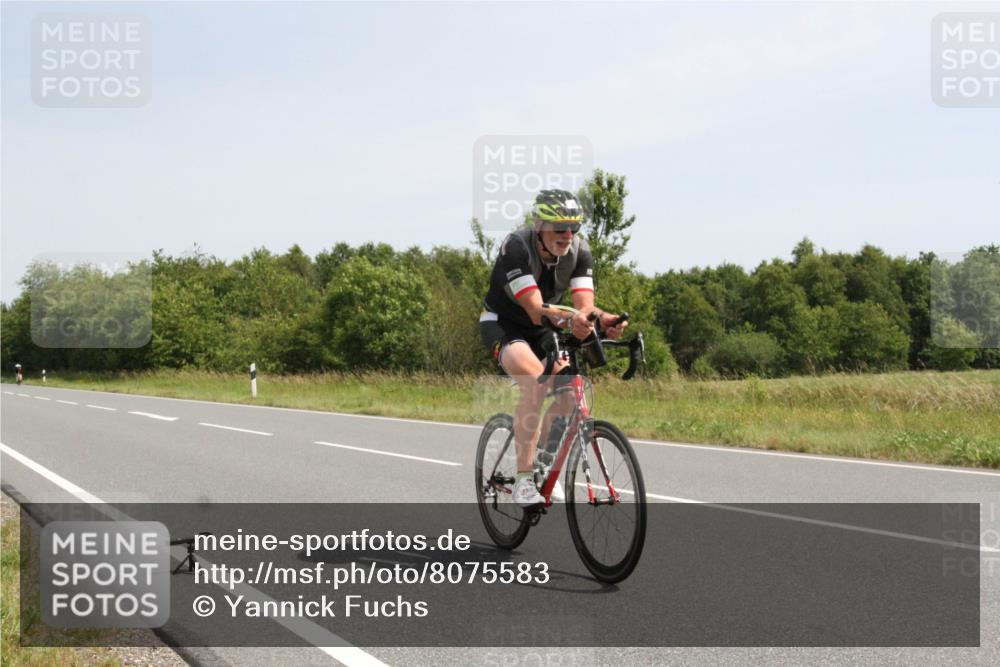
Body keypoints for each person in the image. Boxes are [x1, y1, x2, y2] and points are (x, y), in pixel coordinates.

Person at [479, 189, 627, 507]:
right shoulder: (516, 247)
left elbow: (584, 306)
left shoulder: (579, 251)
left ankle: (543, 466)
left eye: (573, 227)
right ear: (538, 225)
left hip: (546, 326)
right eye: (559, 226)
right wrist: (571, 321)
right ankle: (522, 481)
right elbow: (534, 310)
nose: (567, 234)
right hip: (504, 323)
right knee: (534, 382)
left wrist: (605, 320)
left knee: (571, 393)